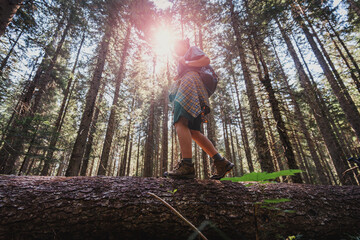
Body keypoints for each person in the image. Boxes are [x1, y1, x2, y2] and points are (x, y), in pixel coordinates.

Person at [164, 39, 234, 180]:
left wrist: (187, 63)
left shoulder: (191, 50)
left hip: (190, 84)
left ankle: (187, 166)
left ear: (185, 44)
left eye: (177, 46)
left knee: (180, 121)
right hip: (195, 88)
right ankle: (221, 162)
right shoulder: (183, 58)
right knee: (194, 131)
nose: (176, 50)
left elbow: (205, 60)